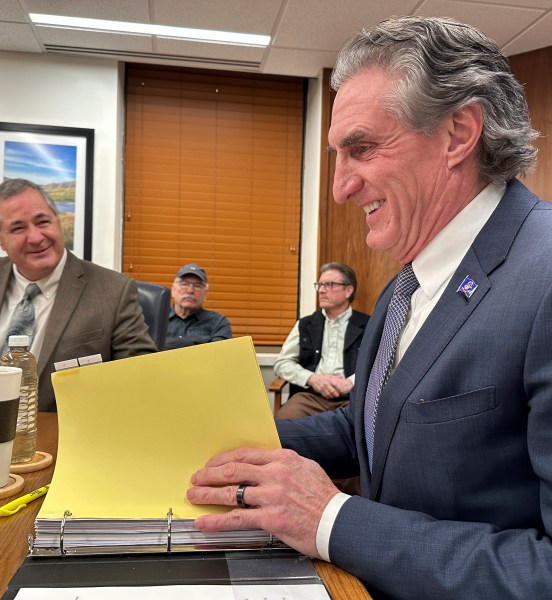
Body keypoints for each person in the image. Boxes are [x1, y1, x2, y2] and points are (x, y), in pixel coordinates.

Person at [186, 16, 552, 599]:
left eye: (361, 149)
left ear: (459, 133)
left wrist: (331, 520)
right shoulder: (407, 284)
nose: (339, 188)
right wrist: (231, 446)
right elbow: (376, 431)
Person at [0, 178, 156, 411]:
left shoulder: (114, 290)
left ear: (58, 222)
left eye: (43, 221)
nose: (37, 237)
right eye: (18, 228)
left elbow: (143, 375)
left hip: (62, 430)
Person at [274, 262, 369, 419]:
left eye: (329, 285)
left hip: (351, 399)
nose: (321, 290)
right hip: (310, 398)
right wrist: (313, 379)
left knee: (363, 427)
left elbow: (377, 365)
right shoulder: (306, 324)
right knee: (284, 424)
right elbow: (282, 363)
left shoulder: (368, 325)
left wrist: (350, 383)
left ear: (348, 290)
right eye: (319, 285)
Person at [165, 263, 232, 350]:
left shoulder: (218, 322)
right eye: (184, 284)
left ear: (205, 294)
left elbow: (219, 357)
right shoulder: (156, 319)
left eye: (197, 286)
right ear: (173, 290)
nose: (190, 290)